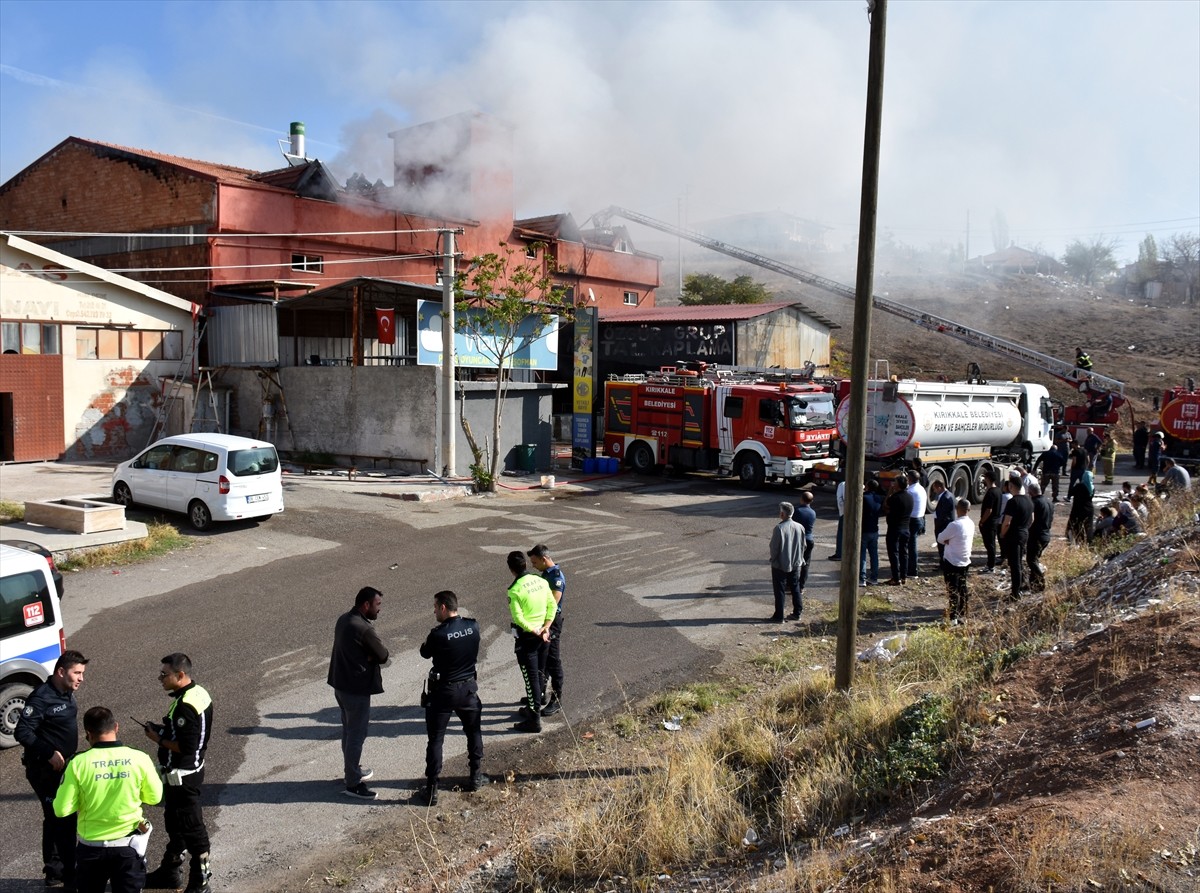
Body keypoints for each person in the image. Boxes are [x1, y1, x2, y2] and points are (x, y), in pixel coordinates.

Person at [53, 707, 162, 893]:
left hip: (91, 849)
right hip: (128, 848)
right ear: (116, 727)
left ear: (88, 733)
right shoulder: (139, 758)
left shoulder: (78, 763)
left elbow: (61, 809)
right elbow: (154, 797)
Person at [15, 650, 89, 890]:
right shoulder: (41, 697)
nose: (81, 678)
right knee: (63, 819)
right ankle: (70, 876)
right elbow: (22, 731)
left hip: (62, 768)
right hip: (45, 771)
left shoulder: (66, 691)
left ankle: (55, 871)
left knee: (54, 818)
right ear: (61, 672)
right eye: (77, 673)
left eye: (82, 673)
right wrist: (48, 753)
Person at [143, 653, 214, 893]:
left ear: (180, 675)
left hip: (183, 777)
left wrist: (158, 739)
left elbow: (187, 746)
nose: (160, 678)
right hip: (184, 774)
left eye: (164, 674)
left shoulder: (185, 706)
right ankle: (170, 872)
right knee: (176, 824)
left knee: (194, 830)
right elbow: (184, 733)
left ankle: (200, 882)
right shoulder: (197, 693)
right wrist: (162, 730)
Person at [416, 590, 485, 807]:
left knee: (436, 739)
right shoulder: (473, 626)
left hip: (443, 692)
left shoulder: (438, 634)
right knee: (473, 732)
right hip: (468, 690)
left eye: (435, 607)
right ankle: (476, 777)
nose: (434, 611)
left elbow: (424, 653)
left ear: (444, 607)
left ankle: (432, 789)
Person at [326, 587, 389, 802]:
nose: (379, 609)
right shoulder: (364, 629)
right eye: (377, 605)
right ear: (366, 605)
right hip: (356, 690)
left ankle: (351, 770)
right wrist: (369, 657)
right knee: (356, 735)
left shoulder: (344, 619)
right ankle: (353, 783)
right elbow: (383, 655)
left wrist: (367, 656)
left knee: (348, 731)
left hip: (341, 686)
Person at [506, 551, 557, 733]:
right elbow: (552, 606)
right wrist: (546, 627)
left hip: (528, 638)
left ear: (511, 569)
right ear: (525, 564)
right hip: (544, 635)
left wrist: (534, 630)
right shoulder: (541, 581)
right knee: (540, 673)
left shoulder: (514, 590)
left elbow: (518, 618)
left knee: (531, 679)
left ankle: (534, 720)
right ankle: (533, 706)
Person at [527, 544, 566, 717]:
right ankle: (540, 694)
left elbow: (553, 605)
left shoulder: (556, 578)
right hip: (543, 622)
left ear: (544, 559)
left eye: (535, 562)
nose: (533, 565)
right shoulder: (546, 574)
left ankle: (556, 700)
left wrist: (546, 627)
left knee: (553, 661)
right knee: (542, 659)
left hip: (551, 623)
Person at [936, 498, 975, 621]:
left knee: (953, 590)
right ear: (969, 510)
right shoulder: (971, 523)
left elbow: (940, 538)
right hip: (965, 560)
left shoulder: (954, 525)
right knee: (963, 588)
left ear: (957, 509)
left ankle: (954, 618)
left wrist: (948, 540)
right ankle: (963, 614)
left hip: (952, 561)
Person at [768, 501, 805, 621]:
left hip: (780, 564)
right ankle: (797, 612)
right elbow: (803, 545)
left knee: (779, 590)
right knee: (795, 587)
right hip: (796, 563)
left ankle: (779, 616)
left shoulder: (779, 528)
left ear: (783, 514)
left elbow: (774, 548)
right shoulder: (800, 527)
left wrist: (773, 560)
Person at [999, 472, 1033, 599]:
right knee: (1020, 561)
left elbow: (1007, 522)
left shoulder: (1013, 502)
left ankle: (1015, 593)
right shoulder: (1028, 500)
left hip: (1013, 535)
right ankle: (1022, 585)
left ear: (1011, 486)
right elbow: (1032, 519)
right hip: (1024, 533)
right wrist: (1024, 529)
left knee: (1015, 565)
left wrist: (1002, 533)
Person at [884, 473, 913, 585]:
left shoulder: (895, 497)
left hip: (894, 529)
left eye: (894, 482)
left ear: (898, 485)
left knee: (893, 553)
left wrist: (890, 491)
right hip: (906, 528)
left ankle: (896, 578)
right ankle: (903, 576)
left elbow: (886, 504)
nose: (893, 484)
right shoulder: (910, 497)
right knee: (904, 553)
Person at [1027, 480, 1054, 592]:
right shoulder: (1048, 502)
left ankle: (1041, 582)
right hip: (1046, 534)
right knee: (1035, 559)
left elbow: (1031, 520)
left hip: (1036, 535)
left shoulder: (1034, 503)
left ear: (1031, 492)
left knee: (1031, 560)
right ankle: (1033, 583)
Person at [793, 490, 818, 598]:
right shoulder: (813, 513)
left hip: (798, 540)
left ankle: (792, 584)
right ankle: (801, 586)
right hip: (809, 539)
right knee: (805, 564)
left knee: (794, 563)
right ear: (811, 501)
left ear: (801, 499)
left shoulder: (797, 511)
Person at [1067, 453, 1095, 545]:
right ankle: (1087, 540)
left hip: (1078, 508)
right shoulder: (1092, 487)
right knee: (1087, 526)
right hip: (1089, 509)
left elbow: (1071, 492)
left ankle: (1075, 540)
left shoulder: (1080, 486)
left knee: (1076, 525)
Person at [860, 479, 884, 586]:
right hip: (874, 529)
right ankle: (874, 577)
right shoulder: (878, 498)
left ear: (867, 486)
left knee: (862, 555)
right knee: (874, 555)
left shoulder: (863, 497)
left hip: (864, 530)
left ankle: (862, 578)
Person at [906, 467, 928, 578]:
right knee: (911, 545)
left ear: (909, 479)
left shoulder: (910, 491)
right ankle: (911, 568)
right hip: (920, 519)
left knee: (911, 546)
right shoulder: (921, 488)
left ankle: (912, 570)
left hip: (912, 520)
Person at [978, 468, 1001, 573]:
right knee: (991, 544)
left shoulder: (991, 493)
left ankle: (991, 566)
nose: (984, 480)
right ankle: (991, 564)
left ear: (988, 479)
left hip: (989, 523)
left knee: (989, 545)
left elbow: (989, 510)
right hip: (995, 521)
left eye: (985, 478)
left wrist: (982, 521)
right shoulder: (998, 491)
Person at [929, 479, 954, 564]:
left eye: (934, 489)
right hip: (942, 525)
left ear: (939, 488)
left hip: (943, 526)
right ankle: (943, 562)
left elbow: (945, 515)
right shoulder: (947, 495)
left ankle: (944, 564)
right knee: (942, 546)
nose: (934, 491)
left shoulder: (946, 497)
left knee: (942, 546)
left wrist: (940, 526)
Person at [828, 479, 846, 560]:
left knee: (841, 534)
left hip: (844, 514)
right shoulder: (861, 485)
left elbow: (840, 500)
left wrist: (842, 512)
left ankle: (840, 553)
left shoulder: (842, 484)